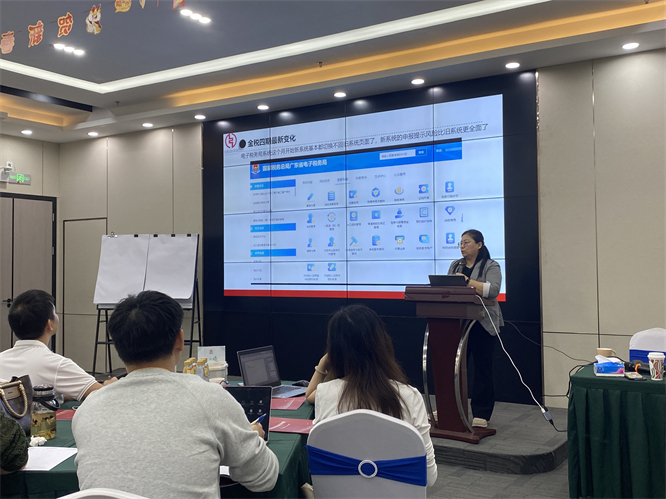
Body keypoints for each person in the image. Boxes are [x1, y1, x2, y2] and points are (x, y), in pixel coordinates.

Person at [72, 290, 278, 499]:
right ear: (180, 340)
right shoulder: (209, 398)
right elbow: (264, 479)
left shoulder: (88, 409)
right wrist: (254, 438)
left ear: (118, 347)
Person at [307, 305, 437, 487]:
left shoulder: (325, 394)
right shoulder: (410, 397)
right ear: (382, 344)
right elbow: (429, 478)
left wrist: (323, 364)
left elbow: (309, 394)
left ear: (334, 351)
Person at [0, 290, 115, 401]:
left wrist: (63, 396)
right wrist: (111, 385)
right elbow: (101, 395)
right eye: (55, 312)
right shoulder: (56, 364)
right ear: (49, 324)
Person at [447, 229, 504, 429]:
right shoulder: (455, 265)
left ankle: (481, 413)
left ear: (479, 245)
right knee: (454, 368)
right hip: (459, 323)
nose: (462, 246)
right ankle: (451, 408)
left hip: (482, 323)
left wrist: (467, 281)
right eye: (461, 243)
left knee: (482, 369)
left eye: (467, 242)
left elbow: (493, 290)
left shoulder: (491, 265)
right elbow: (448, 289)